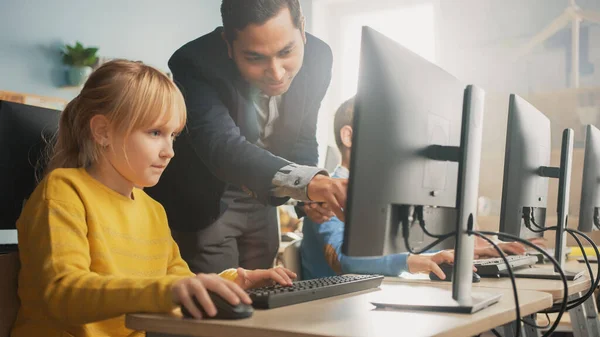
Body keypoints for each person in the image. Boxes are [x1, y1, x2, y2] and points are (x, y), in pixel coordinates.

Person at [11, 60, 296, 337]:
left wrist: (234, 282)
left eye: (173, 135)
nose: (169, 151)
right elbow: (64, 293)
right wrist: (167, 292)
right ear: (103, 131)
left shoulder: (153, 210)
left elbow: (175, 285)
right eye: (155, 133)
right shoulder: (64, 191)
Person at [146, 0, 345, 274]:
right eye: (255, 58)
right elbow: (222, 146)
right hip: (207, 197)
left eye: (286, 51)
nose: (276, 72)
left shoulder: (319, 56)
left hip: (265, 191)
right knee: (219, 303)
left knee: (264, 295)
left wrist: (309, 198)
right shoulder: (195, 61)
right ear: (228, 43)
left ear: (302, 29)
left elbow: (302, 135)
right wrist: (310, 183)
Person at [300, 97, 528, 280]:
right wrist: (409, 262)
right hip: (330, 312)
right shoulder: (325, 195)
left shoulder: (377, 198)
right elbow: (344, 259)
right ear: (348, 136)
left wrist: (467, 250)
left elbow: (407, 246)